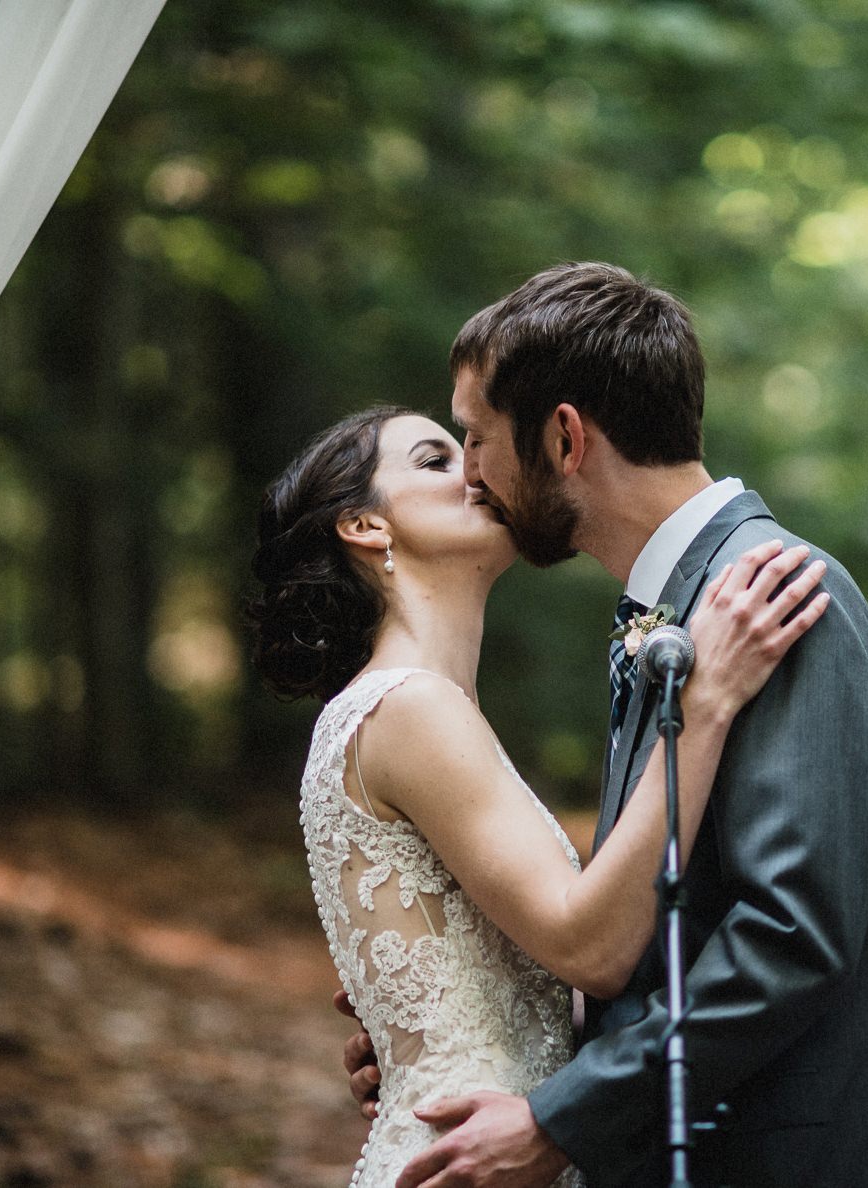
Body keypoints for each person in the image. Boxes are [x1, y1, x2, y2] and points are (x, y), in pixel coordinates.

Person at [340, 263, 868, 1188]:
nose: (471, 472)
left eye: (475, 436)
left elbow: (790, 937)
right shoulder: (678, 610)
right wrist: (461, 1030)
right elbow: (674, 917)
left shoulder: (769, 595)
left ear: (564, 436)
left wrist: (561, 1118)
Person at [248, 405, 830, 1187]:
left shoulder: (415, 707)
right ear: (365, 526)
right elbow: (591, 946)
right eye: (434, 459)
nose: (476, 470)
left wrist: (805, 855)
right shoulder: (411, 707)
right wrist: (706, 702)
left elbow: (557, 964)